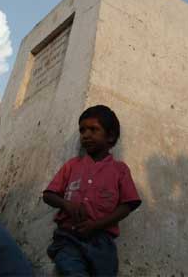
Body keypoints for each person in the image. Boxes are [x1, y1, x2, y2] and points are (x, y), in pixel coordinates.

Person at [43, 105, 141, 277]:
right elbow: (48, 195)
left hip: (102, 242)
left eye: (93, 129)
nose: (86, 135)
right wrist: (67, 205)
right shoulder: (72, 165)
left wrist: (97, 225)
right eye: (82, 130)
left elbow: (128, 204)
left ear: (110, 136)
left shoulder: (120, 170)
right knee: (72, 270)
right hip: (68, 237)